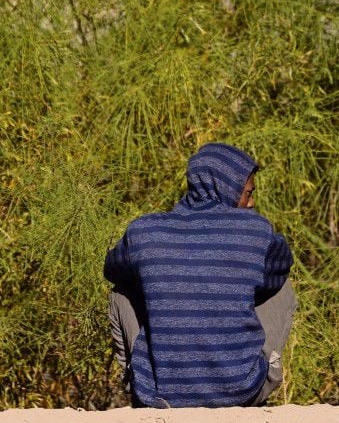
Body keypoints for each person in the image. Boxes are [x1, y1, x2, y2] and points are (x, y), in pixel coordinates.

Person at [104, 143, 296, 408]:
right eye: (248, 193)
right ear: (226, 188)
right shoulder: (257, 231)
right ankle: (260, 370)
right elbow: (281, 265)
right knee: (282, 289)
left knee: (121, 293)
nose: (252, 203)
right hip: (241, 392)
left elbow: (112, 268)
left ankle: (138, 380)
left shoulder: (143, 230)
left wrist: (166, 277)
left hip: (160, 395)